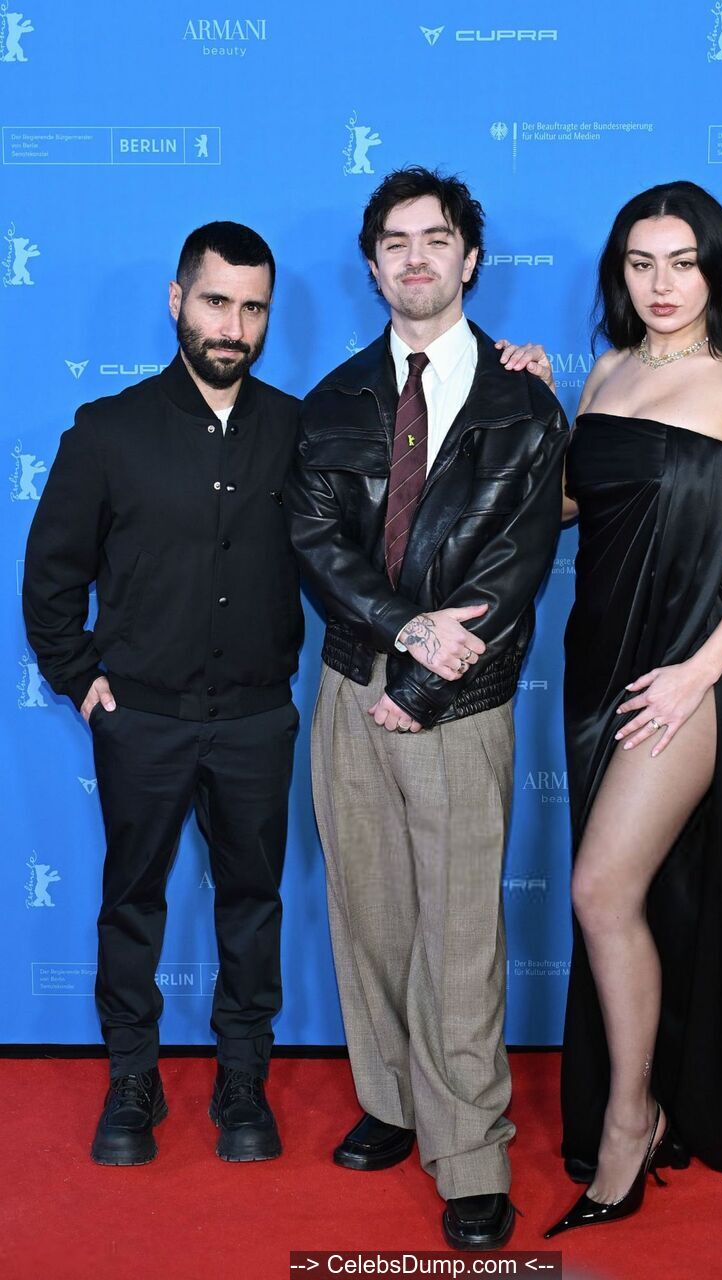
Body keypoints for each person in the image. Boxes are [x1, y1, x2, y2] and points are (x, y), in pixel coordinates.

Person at [527, 180, 722, 1237]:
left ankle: (630, 1120)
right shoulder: (605, 371)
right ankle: (643, 1100)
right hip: (595, 667)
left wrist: (698, 673)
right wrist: (539, 405)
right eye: (641, 263)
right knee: (631, 896)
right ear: (621, 273)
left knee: (601, 889)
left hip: (688, 672)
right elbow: (570, 503)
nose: (661, 284)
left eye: (682, 263)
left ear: (716, 272)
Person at [285, 167, 567, 1250]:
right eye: (395, 241)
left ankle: (472, 1152)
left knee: (458, 931)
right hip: (352, 679)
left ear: (470, 259)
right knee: (370, 912)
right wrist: (401, 638)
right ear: (371, 265)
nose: (416, 257)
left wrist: (424, 677)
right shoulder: (335, 399)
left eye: (436, 238)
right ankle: (396, 1100)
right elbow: (318, 544)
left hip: (464, 692)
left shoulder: (524, 402)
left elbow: (518, 560)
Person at [23, 222, 302, 1167]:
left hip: (258, 718)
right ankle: (132, 1076)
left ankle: (242, 1077)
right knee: (132, 901)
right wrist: (81, 680)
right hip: (140, 719)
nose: (234, 326)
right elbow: (50, 578)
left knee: (252, 902)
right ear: (178, 300)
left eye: (253, 308)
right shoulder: (107, 431)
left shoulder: (298, 430)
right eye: (217, 301)